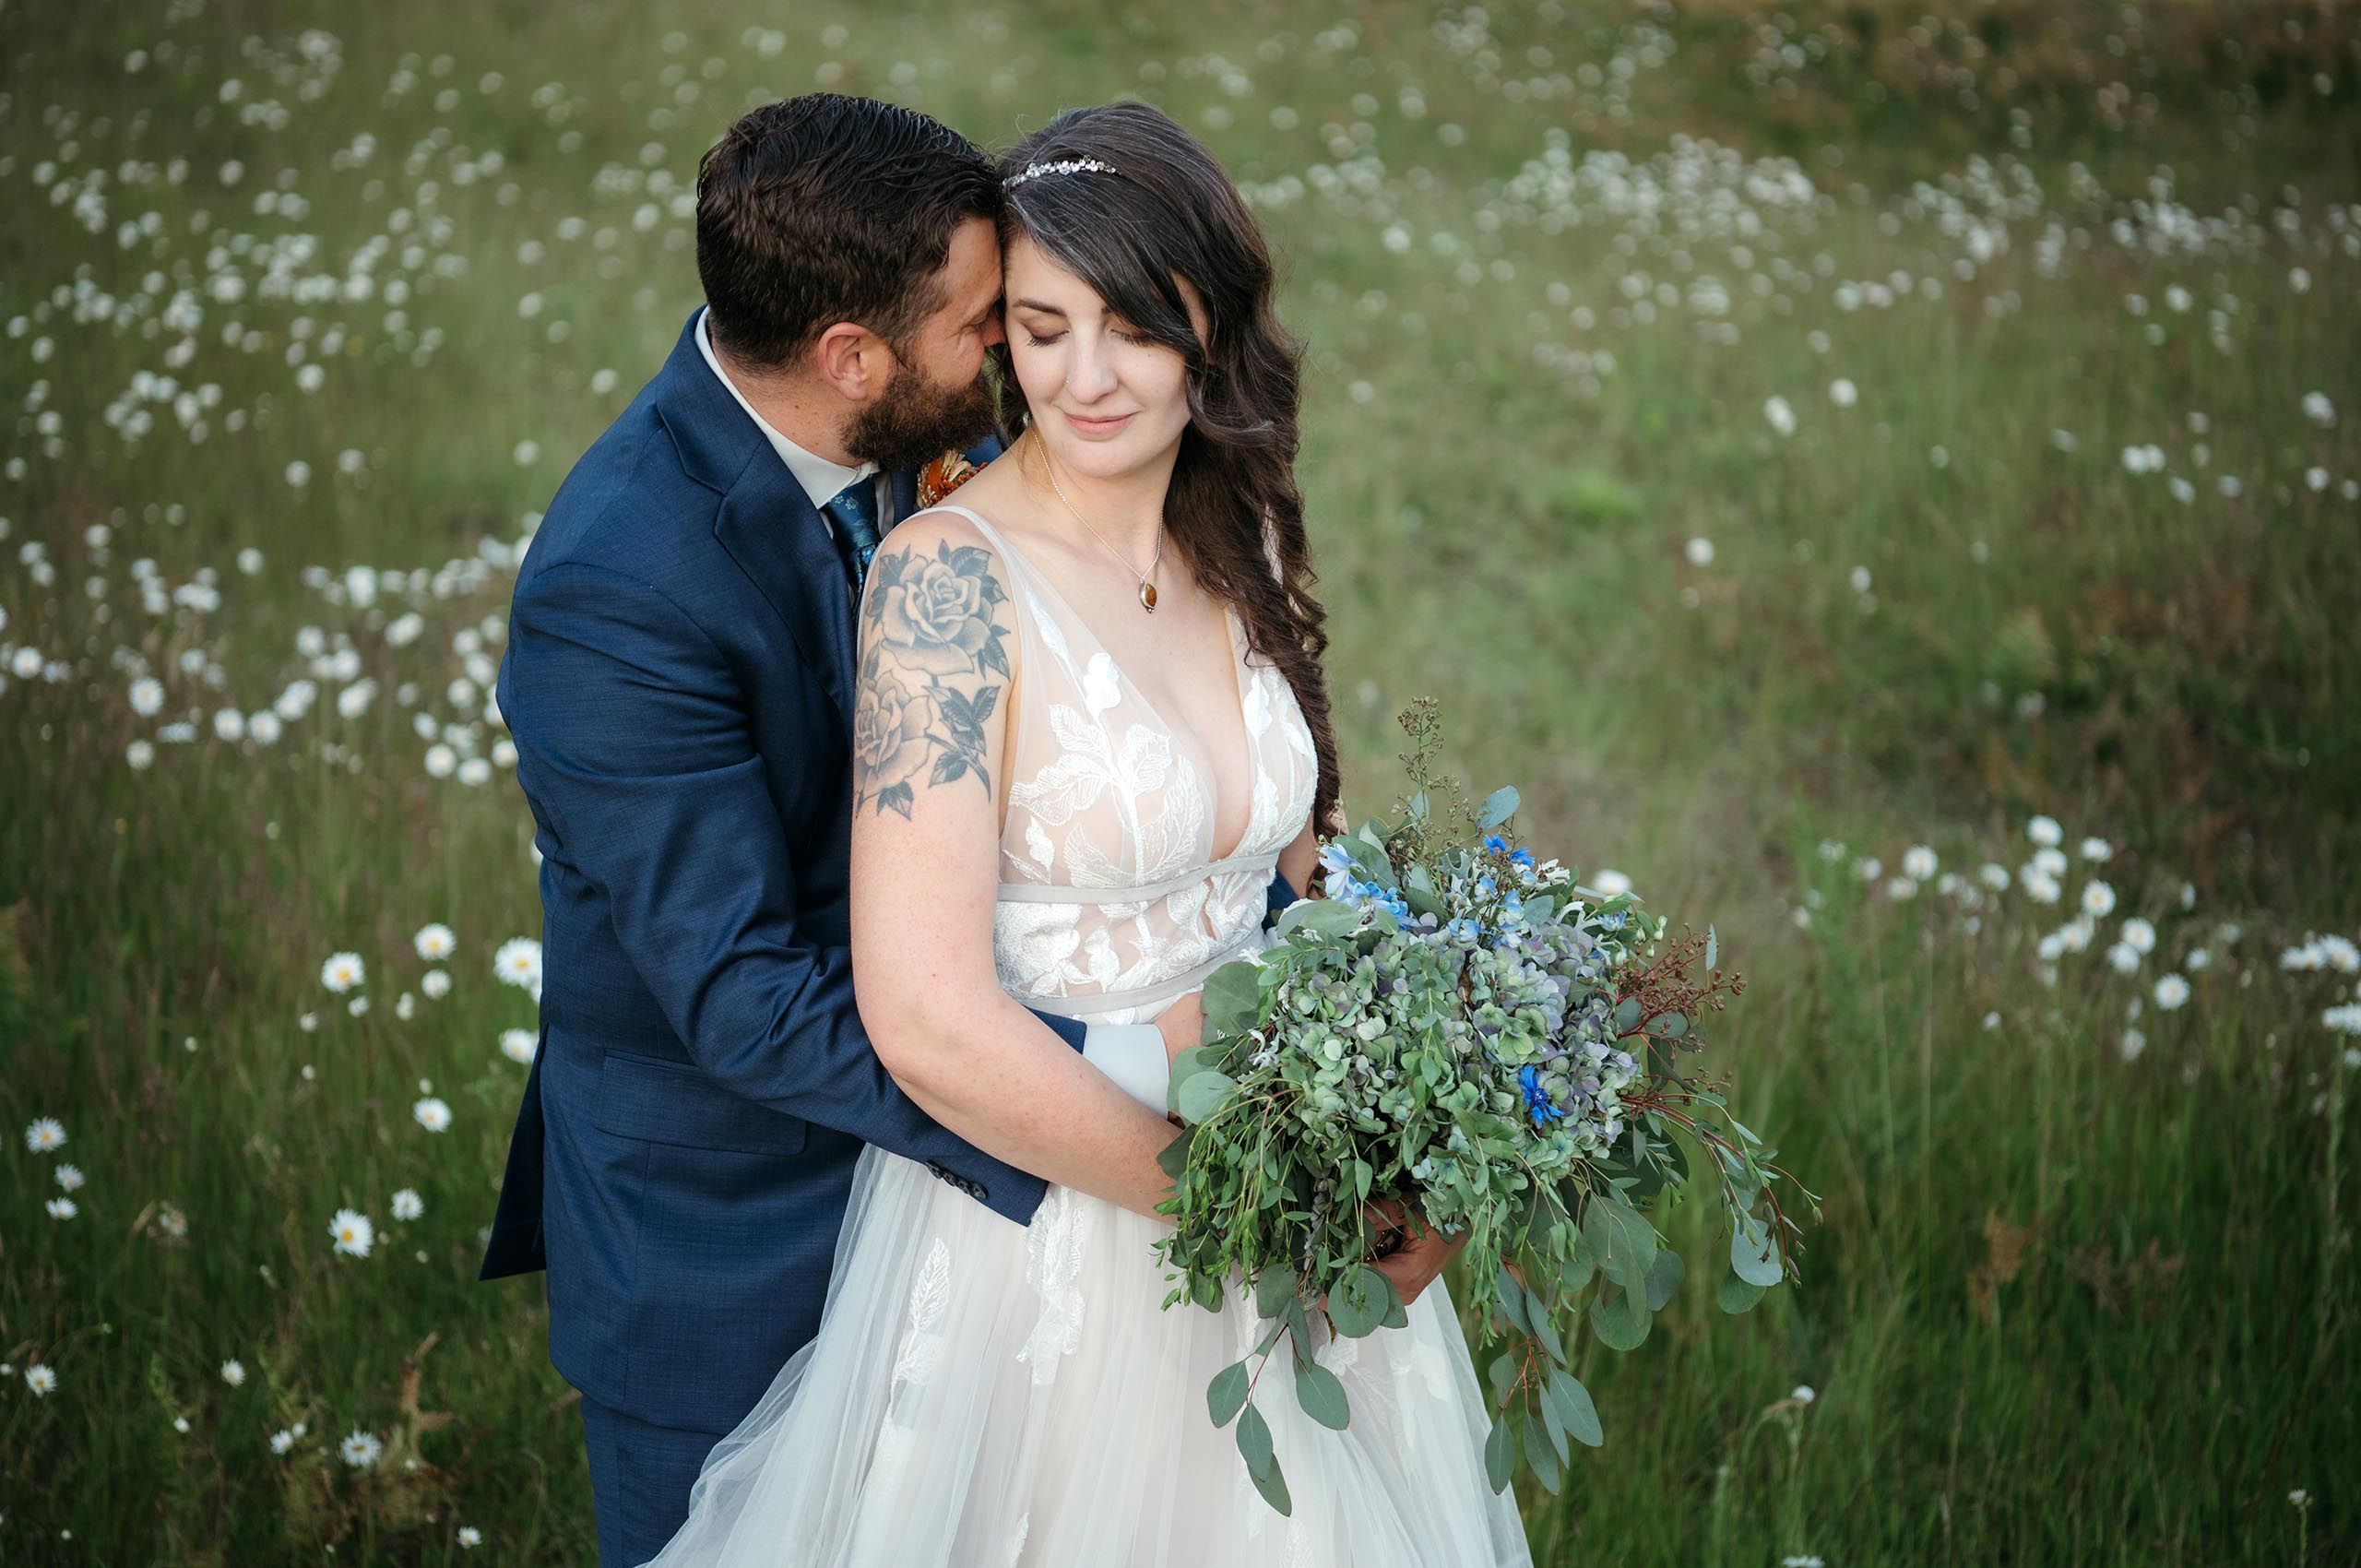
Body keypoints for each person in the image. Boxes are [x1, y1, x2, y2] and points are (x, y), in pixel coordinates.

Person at [640, 101, 1531, 1568]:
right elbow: (925, 1017)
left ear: (1213, 326)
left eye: (1133, 326)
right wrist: (1238, 1216)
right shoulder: (944, 590)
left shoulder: (1241, 530)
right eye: (1042, 331)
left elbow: (1299, 875)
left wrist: (1409, 1145)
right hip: (1061, 1240)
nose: (1087, 378)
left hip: (1303, 1222)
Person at [478, 95, 1319, 1564]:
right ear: (852, 358)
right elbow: (742, 994)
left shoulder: (917, 435)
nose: (1027, 364)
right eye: (996, 325)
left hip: (1013, 1176)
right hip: (735, 1218)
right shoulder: (615, 590)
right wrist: (1148, 1079)